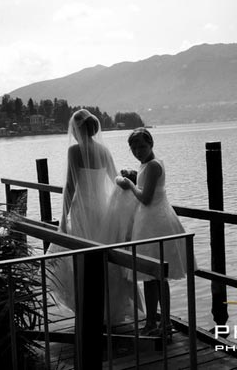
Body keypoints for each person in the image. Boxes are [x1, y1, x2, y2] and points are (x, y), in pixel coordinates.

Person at [50, 109, 139, 324]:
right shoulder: (104, 150)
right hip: (103, 211)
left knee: (81, 259)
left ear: (77, 129)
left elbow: (70, 187)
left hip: (82, 212)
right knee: (104, 259)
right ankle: (108, 306)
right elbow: (115, 179)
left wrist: (63, 218)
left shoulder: (75, 151)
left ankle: (88, 307)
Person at [116, 127, 191, 335]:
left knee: (158, 276)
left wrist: (129, 184)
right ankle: (151, 322)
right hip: (148, 221)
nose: (138, 151)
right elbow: (147, 185)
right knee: (149, 276)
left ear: (151, 144)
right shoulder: (147, 164)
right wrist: (134, 176)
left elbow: (146, 198)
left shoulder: (153, 166)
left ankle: (165, 323)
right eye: (134, 148)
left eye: (142, 146)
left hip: (156, 223)